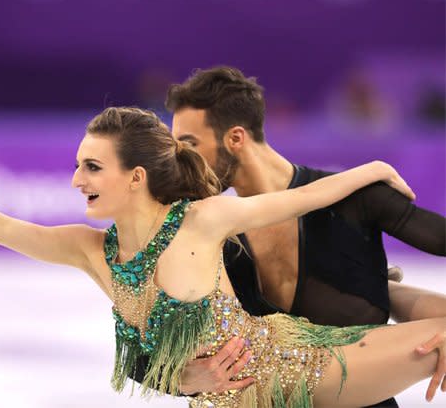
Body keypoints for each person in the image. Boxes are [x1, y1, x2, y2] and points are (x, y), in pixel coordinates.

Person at [0, 108, 445, 407]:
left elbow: (304, 197)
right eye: (76, 165)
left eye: (91, 167)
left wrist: (370, 171)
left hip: (301, 370)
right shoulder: (94, 252)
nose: (75, 180)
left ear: (135, 176)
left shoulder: (201, 221)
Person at [162, 66, 446, 406]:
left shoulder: (356, 198)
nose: (179, 159)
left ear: (235, 139)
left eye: (189, 144)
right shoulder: (211, 234)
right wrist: (184, 380)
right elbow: (148, 346)